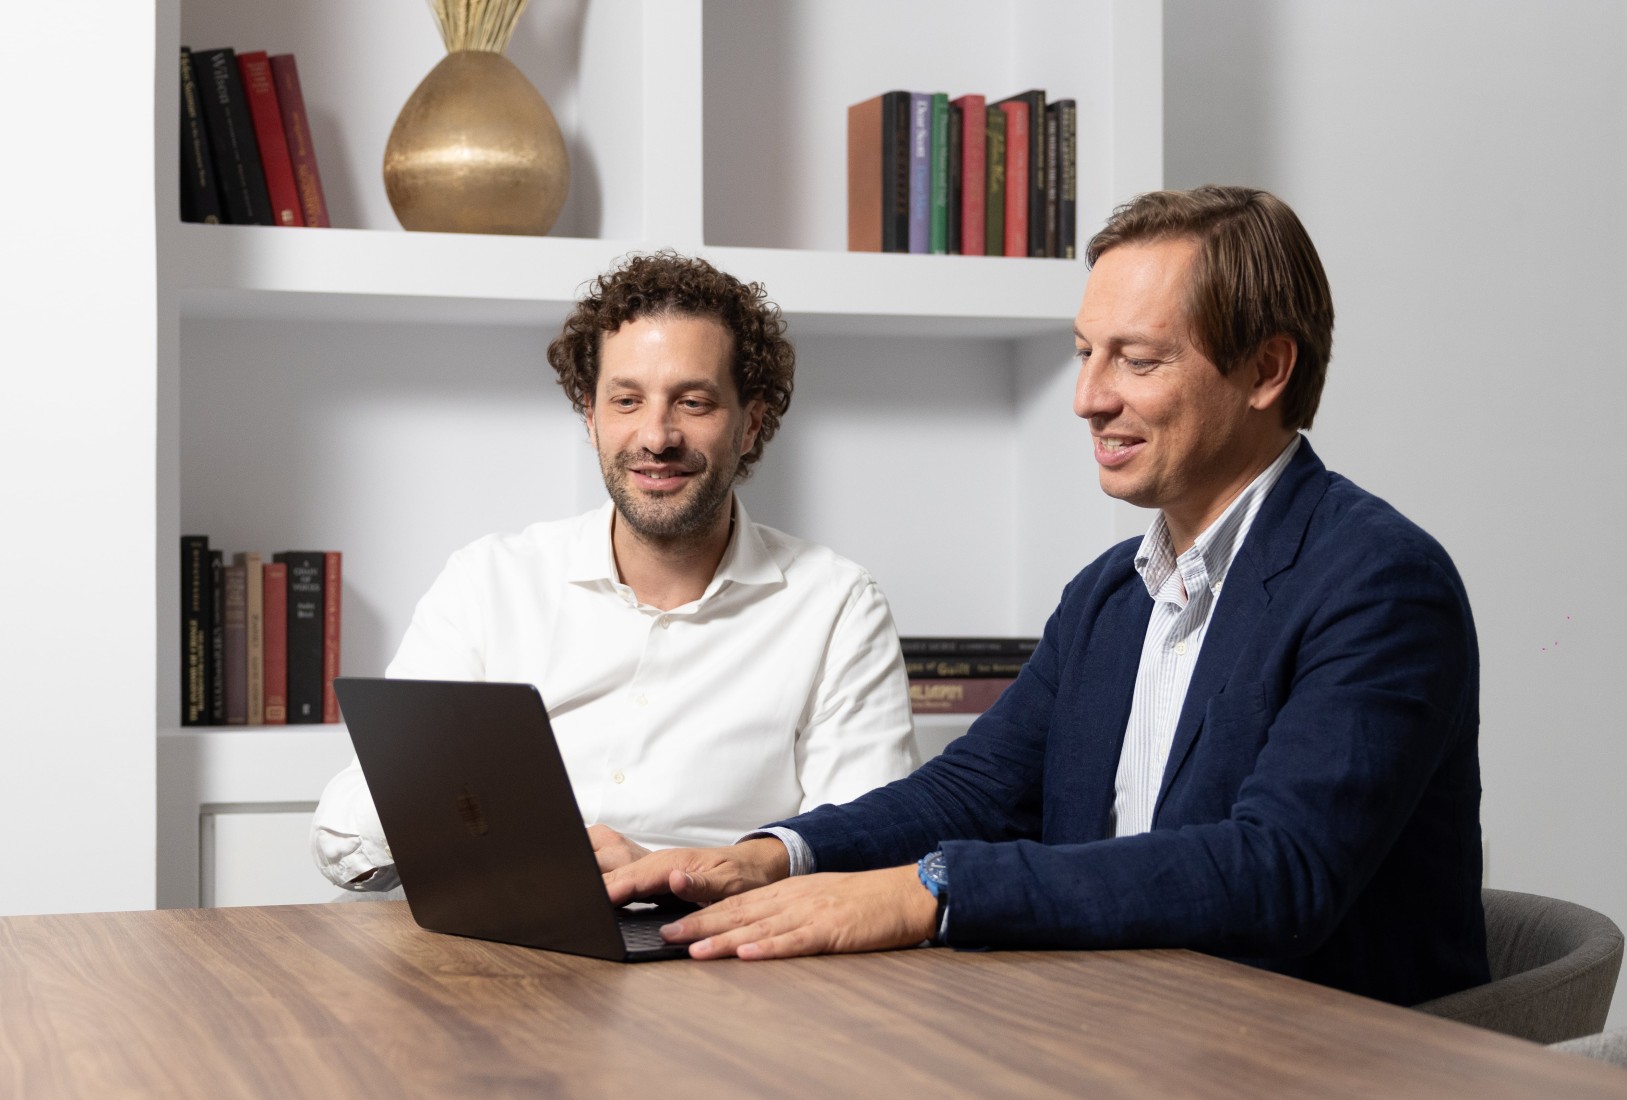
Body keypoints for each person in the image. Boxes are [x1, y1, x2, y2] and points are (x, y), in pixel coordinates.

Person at [605, 187, 1490, 1007]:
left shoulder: (1380, 582)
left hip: (1323, 1056)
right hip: (1121, 1028)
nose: (1087, 398)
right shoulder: (1111, 595)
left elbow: (1279, 869)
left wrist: (931, 891)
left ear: (1266, 371)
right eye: (1084, 354)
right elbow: (975, 790)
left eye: (1137, 361)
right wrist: (768, 858)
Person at [313, 250, 918, 892]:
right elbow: (342, 844)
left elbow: (870, 852)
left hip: (730, 963)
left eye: (693, 402)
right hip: (508, 950)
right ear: (590, 417)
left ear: (751, 424)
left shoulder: (837, 605)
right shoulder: (489, 583)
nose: (656, 436)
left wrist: (693, 873)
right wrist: (490, 821)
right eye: (626, 400)